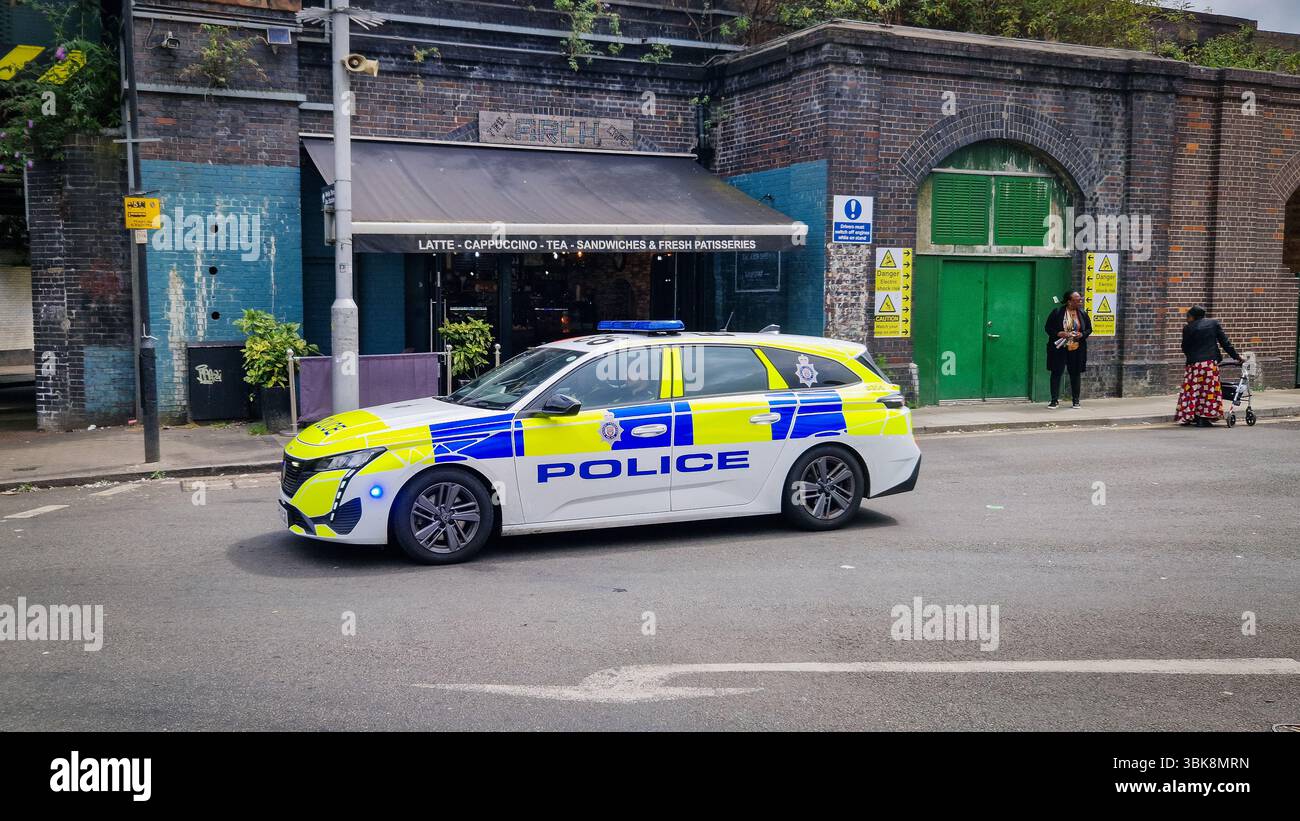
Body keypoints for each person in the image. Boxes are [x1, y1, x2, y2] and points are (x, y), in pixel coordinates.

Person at [1176, 305, 1241, 427]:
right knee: (1208, 391)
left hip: (1193, 365)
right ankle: (1203, 418)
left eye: (1187, 316)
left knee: (1192, 391)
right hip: (1209, 364)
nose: (1186, 319)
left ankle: (1190, 415)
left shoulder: (1187, 328)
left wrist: (1192, 357)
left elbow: (1184, 347)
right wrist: (1237, 357)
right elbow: (1225, 343)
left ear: (1193, 316)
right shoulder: (1213, 324)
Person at [1044, 290, 1092, 409]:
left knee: (1075, 374)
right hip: (1059, 348)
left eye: (1080, 300)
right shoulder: (1057, 312)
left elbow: (1089, 329)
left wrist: (1082, 335)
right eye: (1077, 300)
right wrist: (1059, 333)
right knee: (1056, 372)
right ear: (1069, 301)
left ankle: (1076, 400)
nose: (1080, 302)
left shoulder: (1082, 313)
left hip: (1076, 348)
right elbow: (1048, 328)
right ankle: (1054, 400)